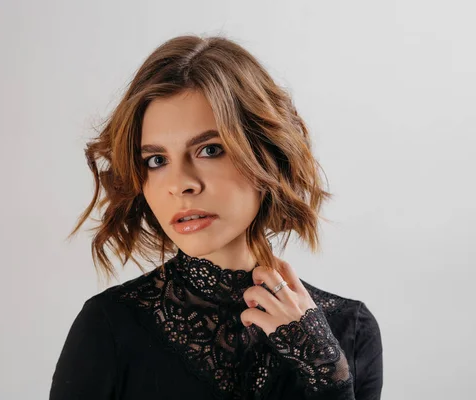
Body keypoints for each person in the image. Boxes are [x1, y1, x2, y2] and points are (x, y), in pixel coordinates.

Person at [49, 34, 383, 400]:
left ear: (266, 154)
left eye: (210, 149)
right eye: (156, 160)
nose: (180, 185)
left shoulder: (349, 330)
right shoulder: (108, 327)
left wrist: (326, 375)